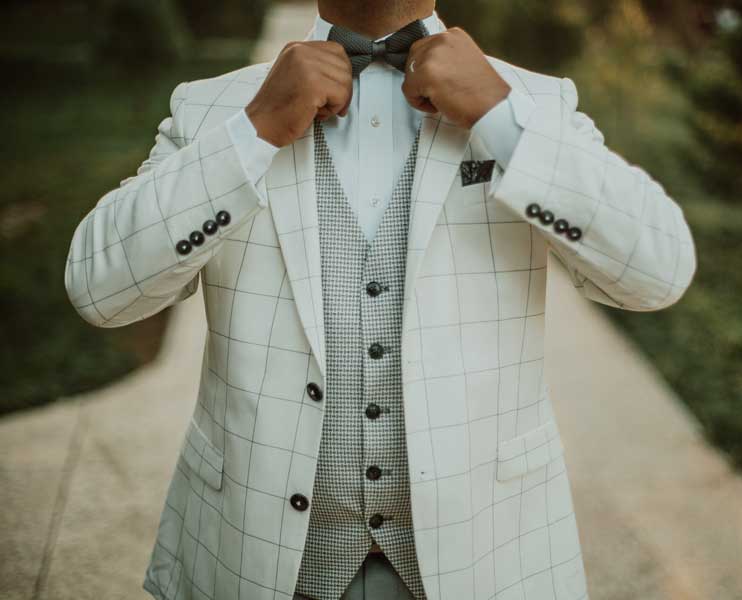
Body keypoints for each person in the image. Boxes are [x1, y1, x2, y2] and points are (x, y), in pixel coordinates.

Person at [63, 1, 697, 599]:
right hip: (257, 561)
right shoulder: (213, 110)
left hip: (484, 562)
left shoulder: (533, 102)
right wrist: (252, 134)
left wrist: (501, 121)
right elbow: (100, 291)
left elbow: (657, 272)